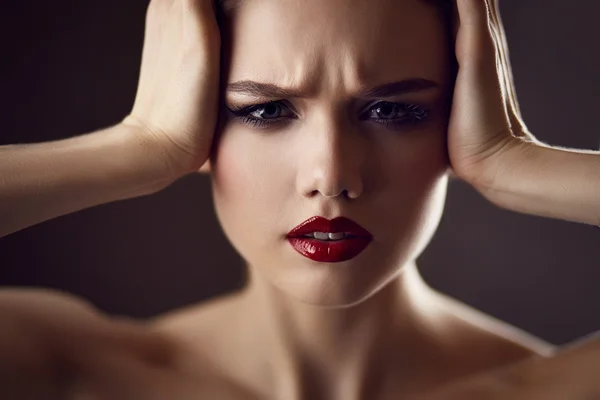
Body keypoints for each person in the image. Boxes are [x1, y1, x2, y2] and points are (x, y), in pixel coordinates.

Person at [1, 0, 599, 398]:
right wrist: (140, 144)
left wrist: (510, 159)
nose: (332, 175)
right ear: (198, 121)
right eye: (265, 110)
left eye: (393, 110)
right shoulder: (69, 373)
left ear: (459, 122)